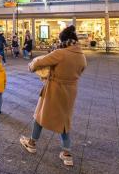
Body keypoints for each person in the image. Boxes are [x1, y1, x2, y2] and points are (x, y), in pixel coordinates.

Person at [20, 26, 86, 166]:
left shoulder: (61, 53)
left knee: (40, 115)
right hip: (71, 90)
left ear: (63, 40)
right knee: (64, 120)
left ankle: (32, 143)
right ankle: (67, 153)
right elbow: (81, 70)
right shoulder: (81, 55)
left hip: (55, 89)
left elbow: (40, 62)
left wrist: (31, 67)